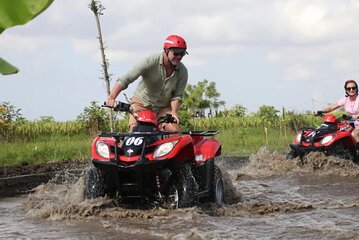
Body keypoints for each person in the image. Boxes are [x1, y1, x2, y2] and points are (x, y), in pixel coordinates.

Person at [106, 34, 188, 132]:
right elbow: (126, 79)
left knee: (174, 131)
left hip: (163, 109)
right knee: (136, 132)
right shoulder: (150, 61)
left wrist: (174, 112)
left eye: (182, 54)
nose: (179, 57)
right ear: (166, 50)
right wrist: (111, 98)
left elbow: (177, 96)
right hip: (141, 105)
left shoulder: (182, 71)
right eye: (176, 53)